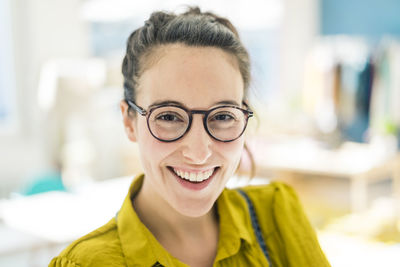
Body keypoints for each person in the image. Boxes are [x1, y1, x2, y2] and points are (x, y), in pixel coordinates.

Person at [49, 7, 330, 267]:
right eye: (169, 117)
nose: (199, 153)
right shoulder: (84, 264)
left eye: (222, 116)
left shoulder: (278, 214)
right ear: (129, 121)